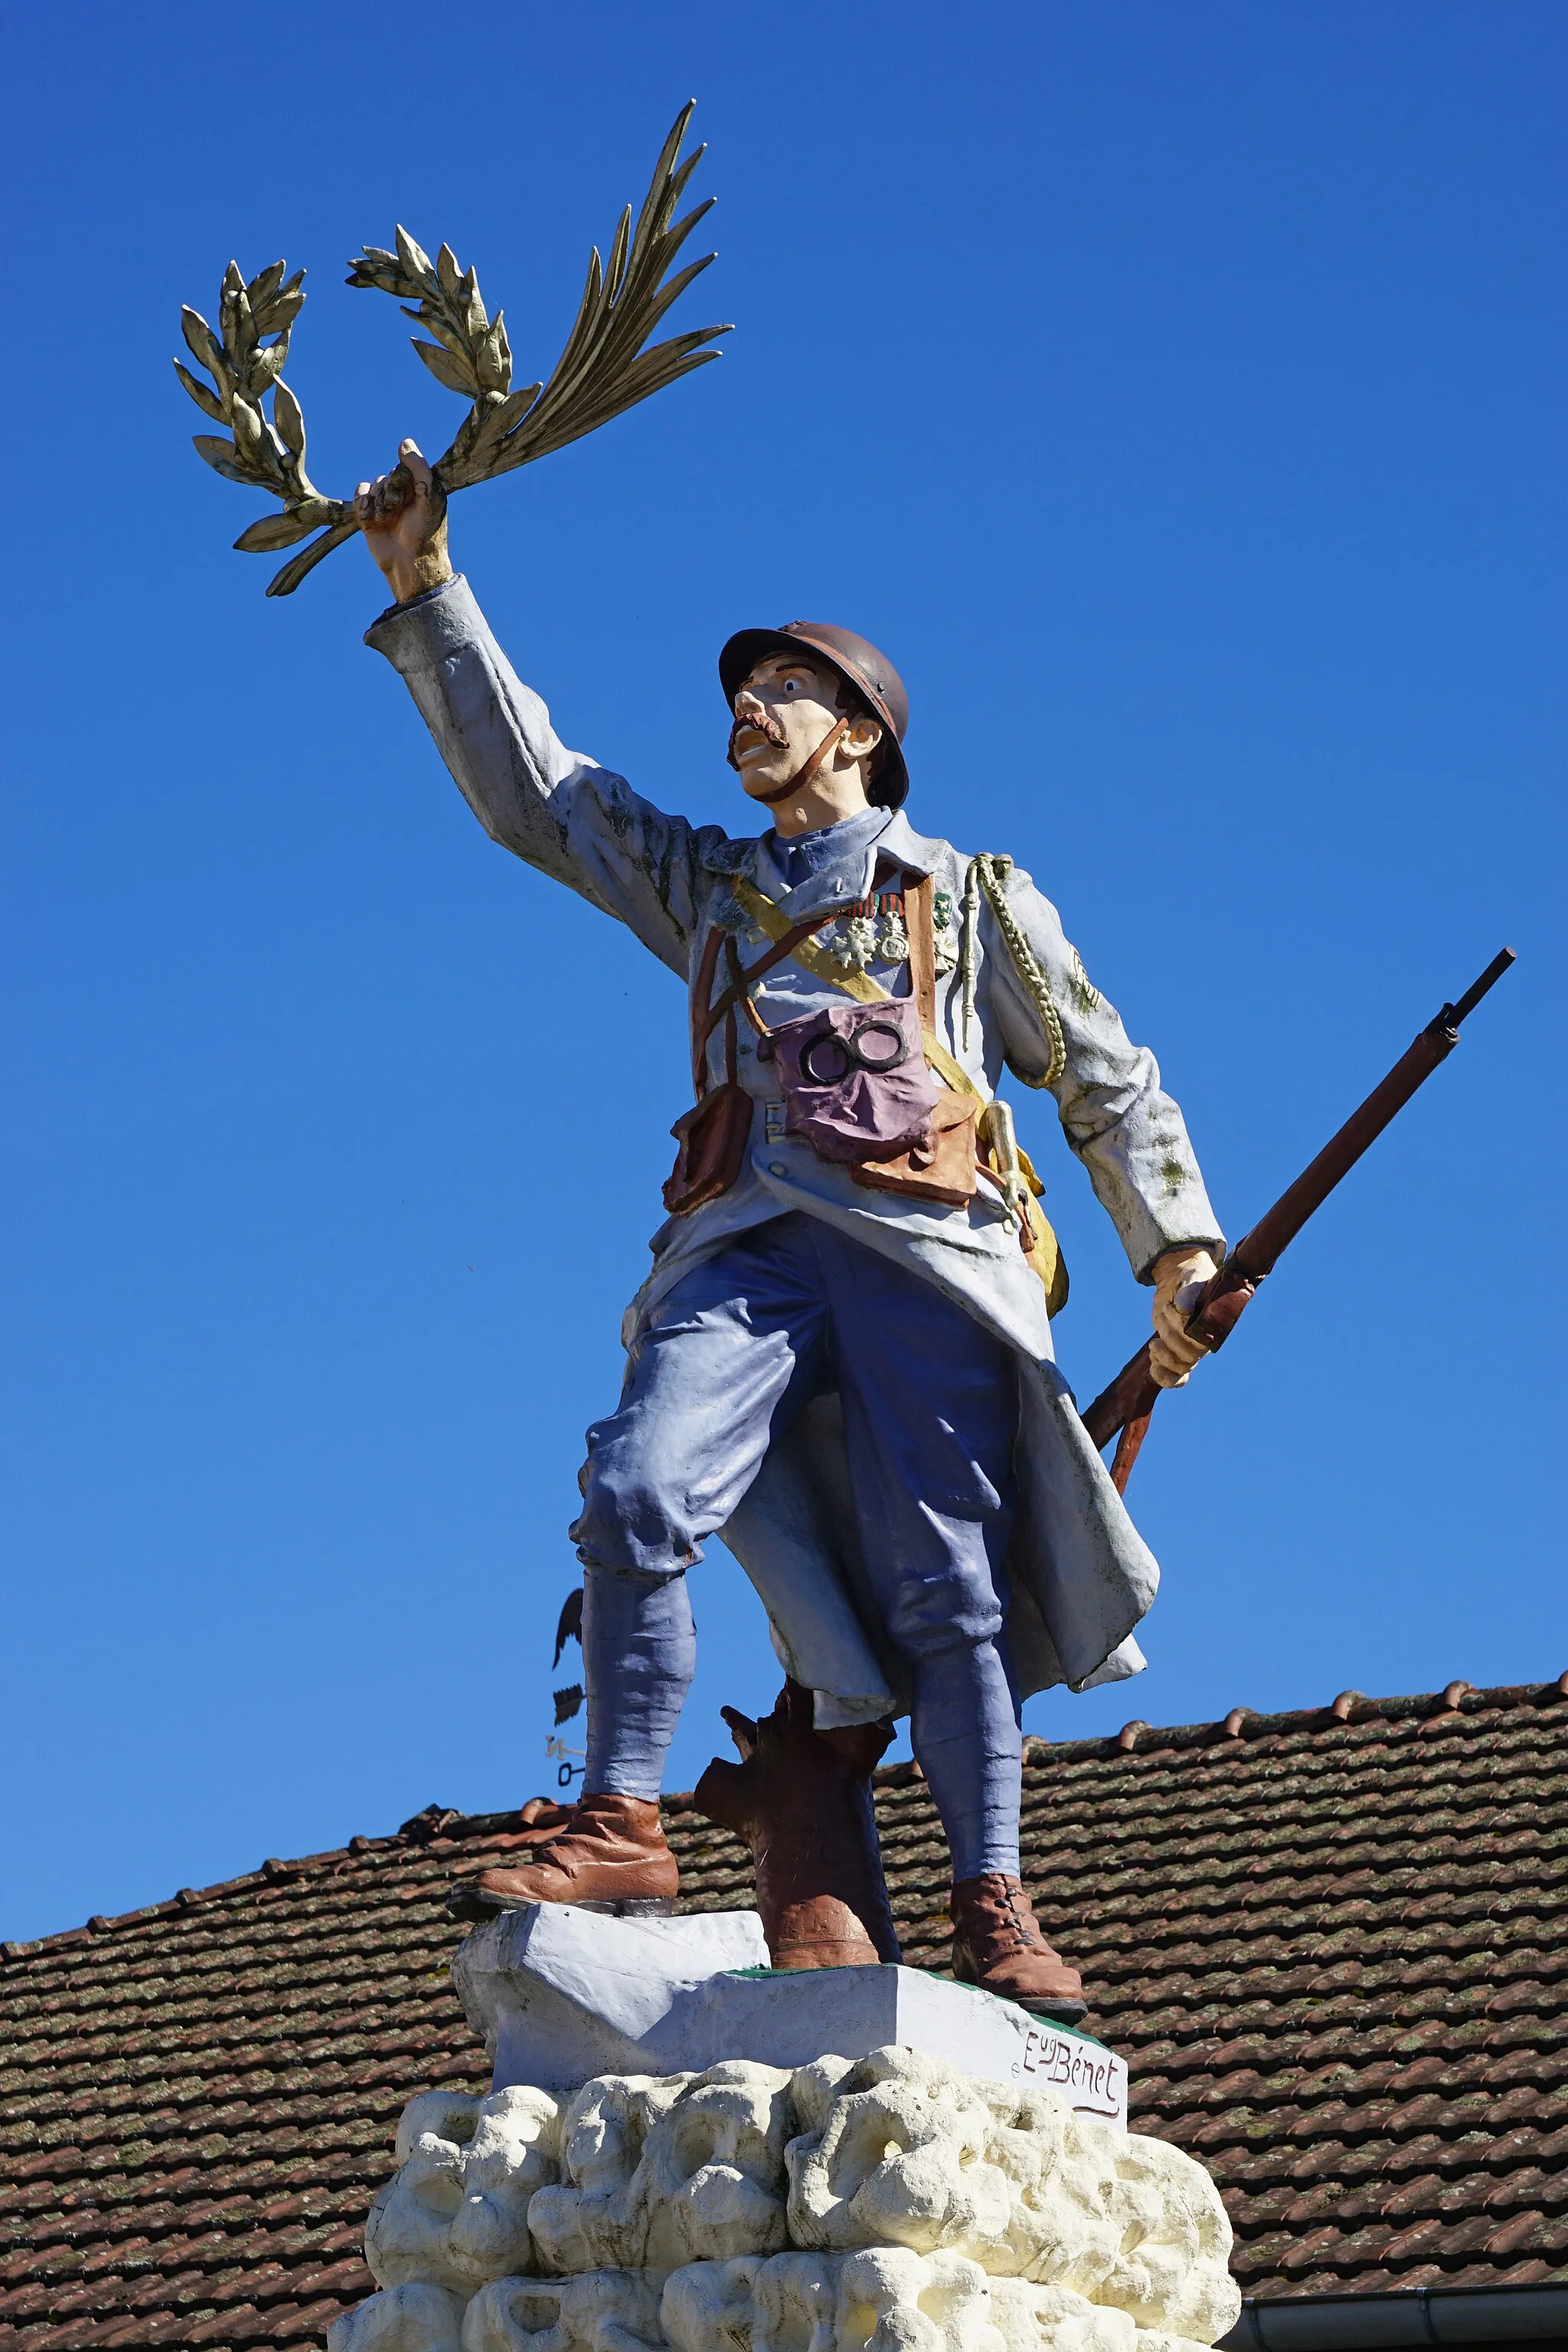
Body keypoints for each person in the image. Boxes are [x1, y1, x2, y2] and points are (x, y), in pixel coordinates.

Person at [354, 442, 1223, 2014]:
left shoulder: (965, 897)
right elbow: (540, 796)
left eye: (781, 690)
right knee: (633, 1489)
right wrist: (429, 587)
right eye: (739, 693)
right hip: (743, 1243)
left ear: (863, 732)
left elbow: (1102, 1073)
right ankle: (621, 1816)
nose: (746, 712)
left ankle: (995, 1904)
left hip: (927, 1251)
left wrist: (1177, 1248)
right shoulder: (706, 883)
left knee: (947, 1589)